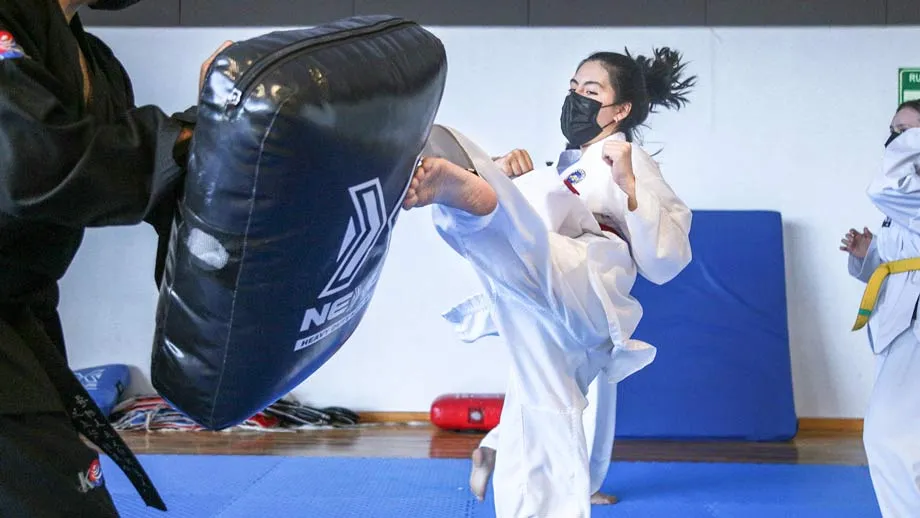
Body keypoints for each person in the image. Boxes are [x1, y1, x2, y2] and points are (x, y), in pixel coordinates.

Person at [407, 47, 695, 517]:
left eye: (591, 91)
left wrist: (629, 186)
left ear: (620, 110)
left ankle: (476, 195)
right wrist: (513, 175)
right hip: (546, 300)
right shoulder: (563, 165)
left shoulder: (627, 157)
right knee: (539, 408)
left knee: (526, 245)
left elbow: (667, 260)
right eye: (573, 88)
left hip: (587, 278)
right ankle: (476, 191)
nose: (577, 98)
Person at [0, 0, 229, 515]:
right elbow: (35, 162)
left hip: (21, 320)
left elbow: (129, 175)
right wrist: (188, 142)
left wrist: (221, 134)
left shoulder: (96, 65)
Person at [842, 99, 920, 518]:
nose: (896, 138)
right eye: (893, 129)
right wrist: (867, 254)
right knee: (905, 439)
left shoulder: (902, 190)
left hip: (914, 330)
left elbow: (883, 187)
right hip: (898, 323)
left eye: (906, 131)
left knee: (888, 437)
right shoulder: (908, 196)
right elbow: (901, 265)